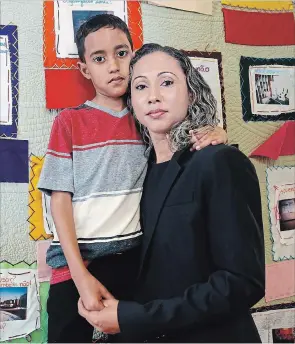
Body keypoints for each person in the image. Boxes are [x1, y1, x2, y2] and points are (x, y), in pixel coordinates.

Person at [38, 15, 227, 343]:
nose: (113, 65)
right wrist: (81, 277)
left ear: (134, 57)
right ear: (85, 69)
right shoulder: (70, 122)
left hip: (134, 266)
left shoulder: (148, 119)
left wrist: (216, 131)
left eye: (121, 53)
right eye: (99, 58)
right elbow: (59, 201)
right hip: (75, 268)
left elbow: (187, 146)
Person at [78, 43, 265, 343]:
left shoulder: (219, 161)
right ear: (132, 103)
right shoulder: (137, 176)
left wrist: (133, 318)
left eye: (166, 82)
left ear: (191, 92)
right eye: (140, 86)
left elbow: (243, 282)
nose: (153, 96)